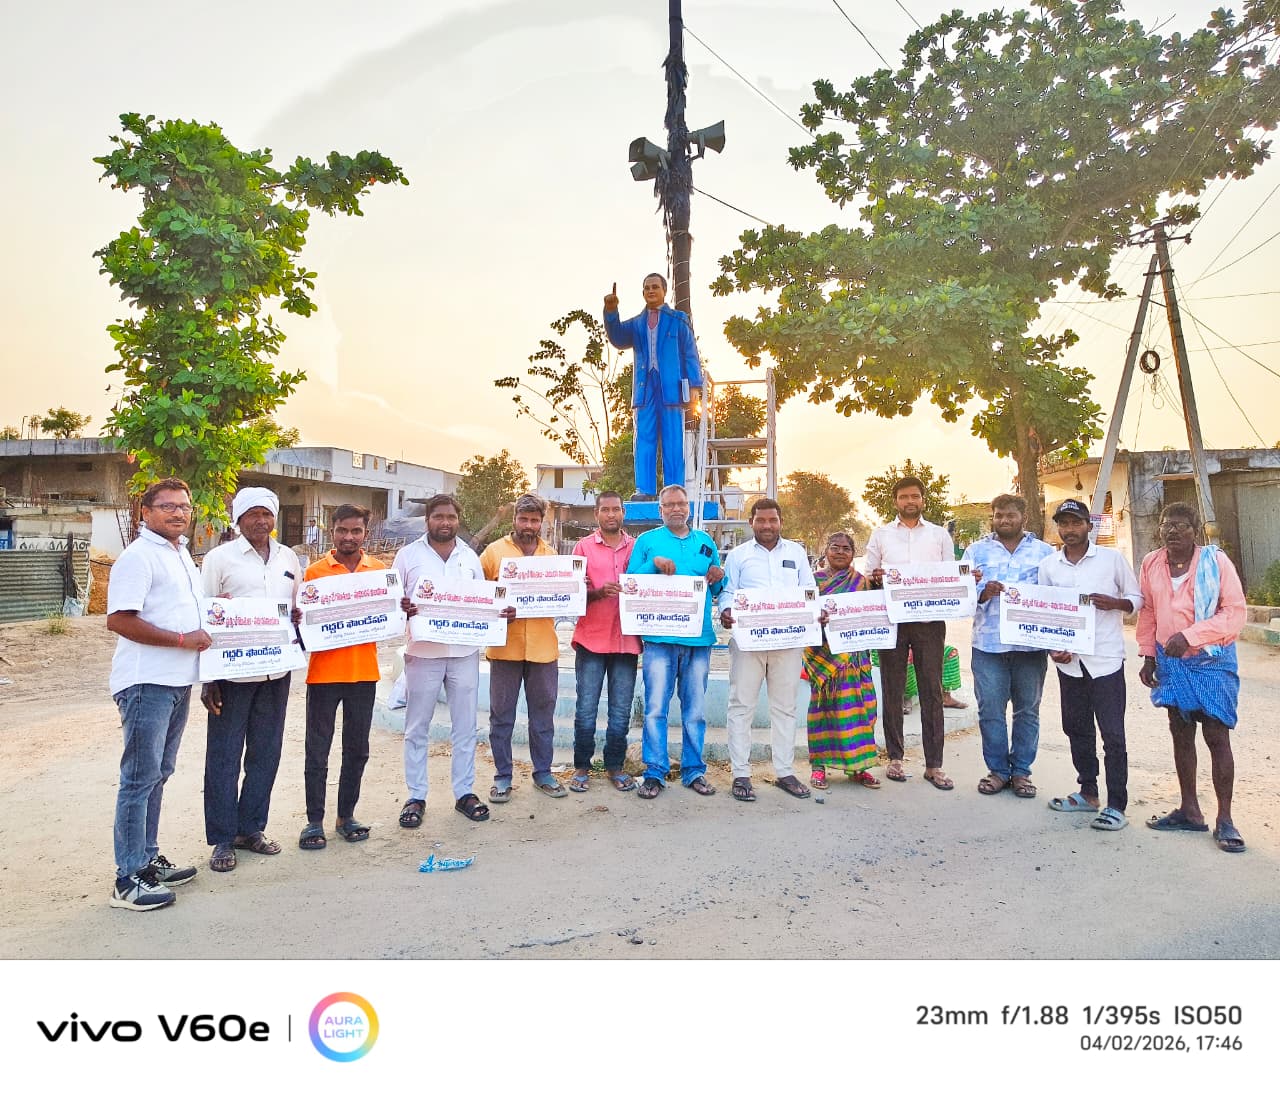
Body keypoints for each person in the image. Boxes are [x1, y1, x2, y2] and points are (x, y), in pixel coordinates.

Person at [105, 477, 210, 910]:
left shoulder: (180, 554)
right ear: (144, 512)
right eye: (167, 506)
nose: (178, 513)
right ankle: (128, 879)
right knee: (138, 778)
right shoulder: (138, 557)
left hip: (176, 682)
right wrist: (183, 640)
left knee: (158, 773)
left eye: (184, 506)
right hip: (146, 682)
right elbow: (119, 620)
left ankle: (147, 860)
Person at [199, 487, 301, 872]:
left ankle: (251, 829)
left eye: (267, 514)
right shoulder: (219, 558)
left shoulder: (288, 557)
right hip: (233, 674)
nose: (261, 521)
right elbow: (205, 616)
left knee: (266, 753)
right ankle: (223, 838)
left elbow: (296, 608)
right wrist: (209, 679)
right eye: (253, 514)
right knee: (224, 756)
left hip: (277, 672)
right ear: (239, 519)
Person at [1138, 502, 1248, 852]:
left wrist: (1190, 636)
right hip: (1170, 662)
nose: (1173, 530)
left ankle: (1225, 819)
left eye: (1181, 525)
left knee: (1216, 735)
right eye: (1166, 524)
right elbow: (1149, 611)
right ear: (1159, 529)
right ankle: (1190, 810)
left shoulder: (1216, 562)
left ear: (1195, 531)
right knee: (1180, 732)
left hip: (1211, 660)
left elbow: (1235, 613)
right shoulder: (1151, 563)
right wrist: (1148, 656)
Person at [1039, 499, 1143, 832]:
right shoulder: (1049, 566)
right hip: (1069, 664)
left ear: (1089, 525)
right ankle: (1088, 792)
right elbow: (1046, 614)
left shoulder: (1111, 560)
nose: (1069, 530)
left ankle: (1117, 805)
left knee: (1112, 734)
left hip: (1105, 660)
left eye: (1075, 523)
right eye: (1063, 524)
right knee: (1076, 728)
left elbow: (1137, 598)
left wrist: (1116, 603)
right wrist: (1054, 649)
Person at [393, 494, 490, 828]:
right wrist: (403, 607)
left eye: (451, 517)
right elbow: (394, 600)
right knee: (416, 727)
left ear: (458, 520)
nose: (445, 522)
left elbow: (482, 601)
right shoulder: (408, 556)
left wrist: (498, 613)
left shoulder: (469, 556)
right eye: (439, 517)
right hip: (423, 654)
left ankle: (464, 793)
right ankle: (416, 796)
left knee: (465, 726)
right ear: (428, 520)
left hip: (464, 653)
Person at [720, 497, 823, 801]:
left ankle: (785, 772)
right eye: (761, 520)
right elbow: (727, 592)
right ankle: (740, 774)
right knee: (741, 706)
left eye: (772, 520)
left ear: (781, 522)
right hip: (748, 642)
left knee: (785, 707)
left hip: (787, 642)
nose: (767, 525)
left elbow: (809, 592)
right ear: (751, 522)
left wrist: (815, 611)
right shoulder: (738, 556)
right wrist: (726, 610)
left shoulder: (796, 553)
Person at [626, 483, 725, 798]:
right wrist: (653, 565)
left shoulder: (705, 542)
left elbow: (716, 589)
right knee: (656, 708)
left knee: (694, 711)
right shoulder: (647, 541)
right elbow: (630, 584)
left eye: (681, 504)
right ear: (660, 510)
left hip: (698, 640)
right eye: (669, 505)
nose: (676, 509)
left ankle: (693, 771)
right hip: (659, 640)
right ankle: (654, 772)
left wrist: (719, 576)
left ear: (689, 508)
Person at [299, 504, 384, 849]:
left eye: (356, 531)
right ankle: (314, 821)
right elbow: (304, 622)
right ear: (331, 532)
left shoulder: (379, 572)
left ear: (366, 533)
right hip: (323, 674)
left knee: (357, 749)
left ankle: (346, 816)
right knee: (317, 750)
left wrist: (401, 609)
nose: (349, 537)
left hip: (364, 673)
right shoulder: (314, 573)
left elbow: (389, 614)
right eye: (342, 530)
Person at [960, 494, 1055, 798]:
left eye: (1010, 515)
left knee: (1027, 711)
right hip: (988, 646)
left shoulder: (1045, 553)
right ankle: (999, 771)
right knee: (990, 710)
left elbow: (1056, 596)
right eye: (998, 515)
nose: (1003, 520)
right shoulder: (975, 551)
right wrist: (982, 592)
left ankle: (1022, 772)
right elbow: (959, 596)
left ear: (1023, 518)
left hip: (1031, 647)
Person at [865, 476, 956, 789]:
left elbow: (949, 575)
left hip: (929, 621)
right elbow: (869, 576)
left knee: (931, 690)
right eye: (904, 497)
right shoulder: (881, 535)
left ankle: (934, 765)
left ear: (923, 500)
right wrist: (877, 578)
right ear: (895, 501)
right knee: (892, 688)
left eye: (915, 496)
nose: (910, 501)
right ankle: (895, 759)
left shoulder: (939, 535)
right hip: (892, 619)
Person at [479, 494, 566, 801]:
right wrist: (497, 606)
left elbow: (564, 596)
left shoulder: (552, 556)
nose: (529, 525)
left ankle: (543, 773)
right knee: (501, 716)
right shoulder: (493, 553)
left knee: (542, 716)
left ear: (541, 522)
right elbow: (478, 594)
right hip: (505, 649)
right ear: (514, 519)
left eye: (534, 520)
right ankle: (502, 776)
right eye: (523, 519)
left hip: (543, 649)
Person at [603, 273, 702, 500]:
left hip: (671, 387)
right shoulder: (636, 323)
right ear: (643, 293)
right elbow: (618, 338)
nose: (651, 291)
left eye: (655, 287)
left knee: (673, 440)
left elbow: (690, 353)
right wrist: (611, 311)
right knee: (643, 439)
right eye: (647, 288)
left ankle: (674, 489)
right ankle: (644, 489)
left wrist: (694, 385)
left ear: (664, 291)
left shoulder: (678, 319)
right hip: (645, 387)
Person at [569, 491, 640, 792]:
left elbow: (649, 585)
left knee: (621, 710)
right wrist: (597, 592)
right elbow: (572, 595)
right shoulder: (583, 547)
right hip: (591, 640)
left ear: (624, 513)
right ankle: (581, 766)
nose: (611, 514)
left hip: (626, 641)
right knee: (586, 708)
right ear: (596, 514)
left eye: (616, 509)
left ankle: (615, 766)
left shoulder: (637, 548)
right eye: (605, 510)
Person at [804, 531, 880, 791]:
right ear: (826, 550)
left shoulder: (862, 582)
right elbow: (804, 614)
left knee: (863, 711)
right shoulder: (813, 581)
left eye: (846, 548)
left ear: (853, 553)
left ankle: (859, 767)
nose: (839, 552)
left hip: (856, 660)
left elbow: (874, 613)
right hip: (825, 659)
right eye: (834, 547)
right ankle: (818, 767)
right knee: (823, 714)